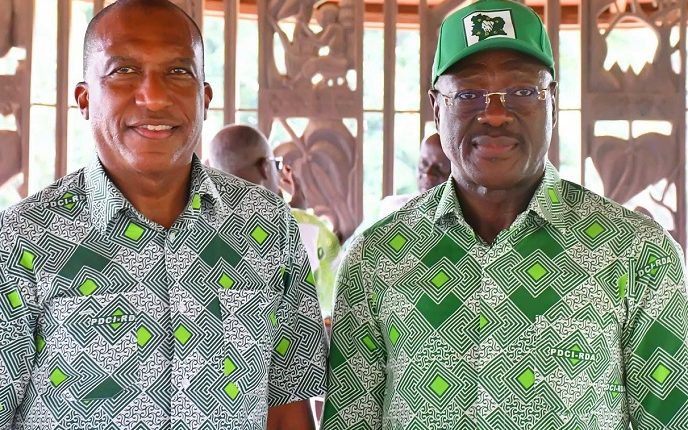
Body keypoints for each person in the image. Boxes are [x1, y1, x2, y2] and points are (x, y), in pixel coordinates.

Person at [322, 1, 688, 429]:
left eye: (522, 91)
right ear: (436, 109)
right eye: (468, 94)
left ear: (553, 103)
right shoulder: (376, 258)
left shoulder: (638, 253)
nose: (495, 114)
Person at [0, 1, 326, 429]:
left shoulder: (267, 225)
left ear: (204, 98)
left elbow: (287, 408)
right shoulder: (21, 240)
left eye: (177, 71)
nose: (153, 96)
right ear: (84, 99)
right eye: (124, 70)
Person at [208, 124, 341, 319]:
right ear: (264, 168)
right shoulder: (303, 227)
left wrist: (293, 212)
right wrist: (298, 217)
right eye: (275, 164)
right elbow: (333, 300)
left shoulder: (197, 225)